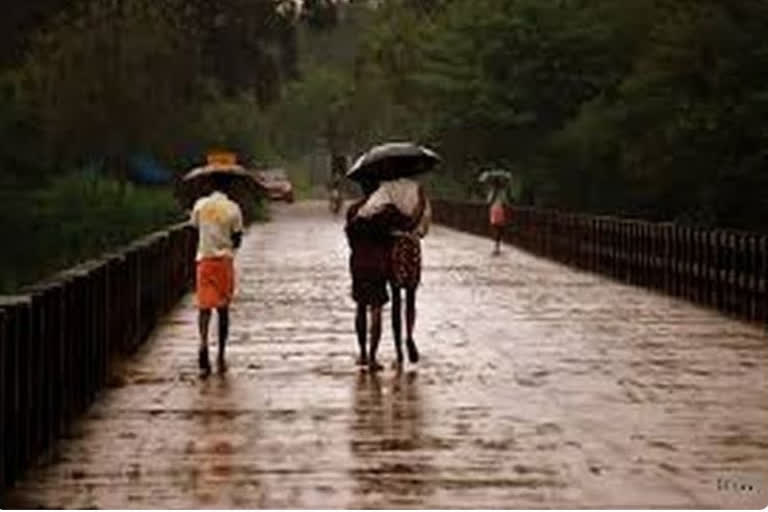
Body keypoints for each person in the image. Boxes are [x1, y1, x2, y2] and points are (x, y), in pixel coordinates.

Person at [355, 177, 431, 366]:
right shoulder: (419, 190)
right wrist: (416, 231)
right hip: (413, 247)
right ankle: (410, 335)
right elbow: (426, 222)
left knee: (396, 298)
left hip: (394, 247)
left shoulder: (387, 189)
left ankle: (398, 352)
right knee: (411, 296)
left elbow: (367, 211)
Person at [190, 174, 244, 377]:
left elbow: (193, 229)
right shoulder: (233, 208)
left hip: (204, 261)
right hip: (224, 262)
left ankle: (203, 343)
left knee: (204, 308)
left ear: (209, 184)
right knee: (223, 309)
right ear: (228, 186)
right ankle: (220, 352)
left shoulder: (200, 205)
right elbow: (238, 239)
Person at [345, 178, 395, 372]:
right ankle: (373, 357)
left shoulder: (354, 211)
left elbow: (350, 238)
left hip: (358, 263)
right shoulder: (384, 213)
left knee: (360, 306)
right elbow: (391, 238)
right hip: (379, 264)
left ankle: (363, 353)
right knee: (376, 309)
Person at [487, 177, 513, 255]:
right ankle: (497, 245)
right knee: (500, 228)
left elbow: (488, 201)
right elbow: (506, 202)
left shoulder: (492, 192)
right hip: (500, 209)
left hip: (494, 209)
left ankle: (496, 246)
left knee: (495, 227)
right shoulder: (502, 192)